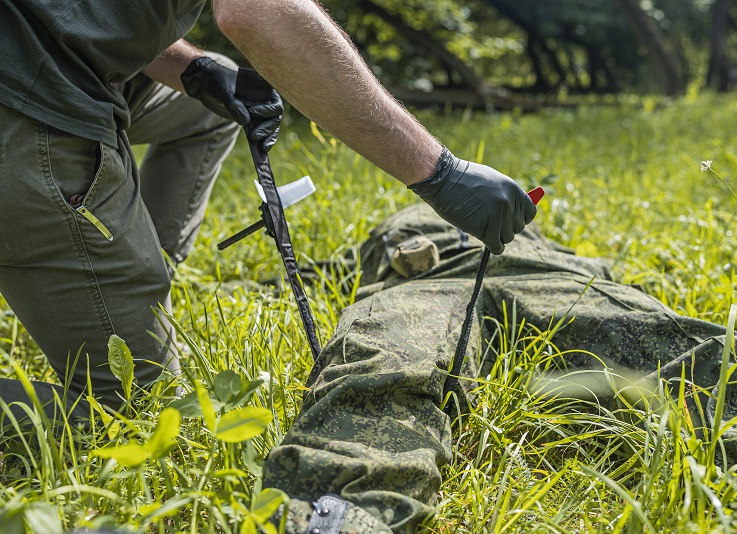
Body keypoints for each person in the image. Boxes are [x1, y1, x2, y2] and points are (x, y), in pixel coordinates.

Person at [0, 0, 535, 421]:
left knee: (208, 104)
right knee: (140, 413)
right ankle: (95, 275)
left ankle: (113, 276)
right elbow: (258, 10)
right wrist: (441, 173)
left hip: (41, 64)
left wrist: (194, 69)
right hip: (26, 108)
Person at [261, 202, 737, 533]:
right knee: (385, 364)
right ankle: (337, 516)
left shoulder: (539, 234)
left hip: (549, 280)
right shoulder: (386, 233)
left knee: (685, 357)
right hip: (425, 287)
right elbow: (316, 271)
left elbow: (622, 286)